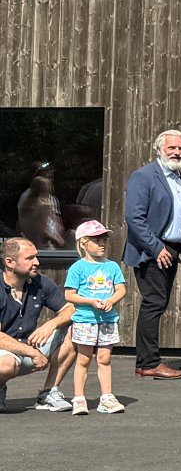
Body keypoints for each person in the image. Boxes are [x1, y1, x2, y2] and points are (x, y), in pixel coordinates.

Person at [123, 129, 181, 380]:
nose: (177, 153)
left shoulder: (179, 177)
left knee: (159, 303)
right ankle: (148, 362)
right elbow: (134, 217)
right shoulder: (143, 176)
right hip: (151, 251)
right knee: (153, 302)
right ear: (159, 150)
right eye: (172, 148)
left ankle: (148, 360)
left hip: (172, 249)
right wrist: (156, 248)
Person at [0, 237, 77, 414]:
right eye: (29, 258)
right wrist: (32, 352)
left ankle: (49, 392)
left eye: (36, 256)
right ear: (10, 262)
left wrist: (52, 323)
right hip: (7, 354)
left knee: (77, 329)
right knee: (6, 365)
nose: (37, 262)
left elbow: (71, 309)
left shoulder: (40, 282)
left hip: (30, 348)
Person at [63, 221, 127, 415]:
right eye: (96, 240)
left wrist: (111, 300)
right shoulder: (77, 268)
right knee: (83, 358)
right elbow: (69, 295)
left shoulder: (112, 266)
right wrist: (90, 301)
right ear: (83, 243)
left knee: (104, 357)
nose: (102, 244)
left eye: (104, 240)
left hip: (107, 319)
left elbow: (121, 289)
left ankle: (106, 397)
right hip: (85, 319)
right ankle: (79, 398)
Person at [16, 163, 65, 250]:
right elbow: (44, 228)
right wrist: (59, 239)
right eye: (47, 177)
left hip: (33, 243)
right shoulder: (44, 203)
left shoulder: (26, 198)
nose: (50, 180)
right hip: (47, 245)